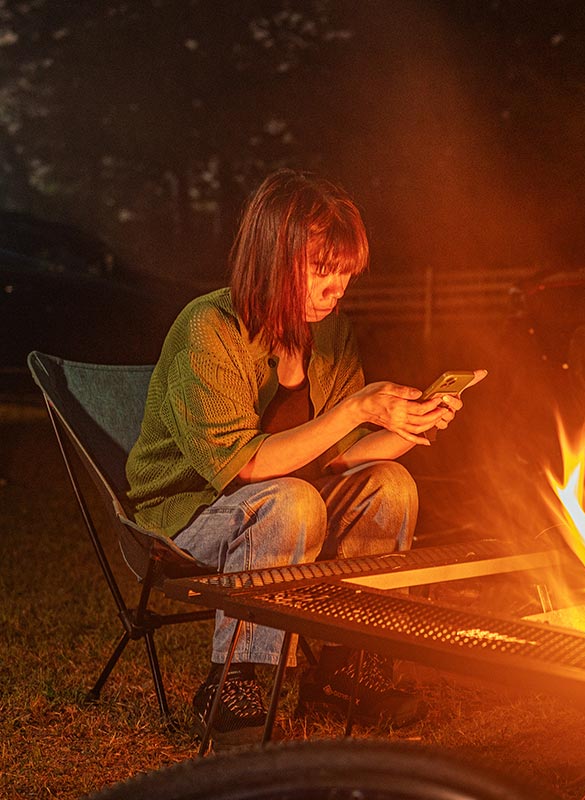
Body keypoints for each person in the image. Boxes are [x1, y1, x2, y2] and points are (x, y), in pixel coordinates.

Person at [126, 168, 478, 748]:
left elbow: (339, 459)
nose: (336, 289)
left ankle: (346, 669)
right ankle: (233, 682)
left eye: (344, 273)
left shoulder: (331, 334)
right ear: (272, 257)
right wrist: (353, 410)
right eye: (322, 270)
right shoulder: (209, 329)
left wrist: (409, 428)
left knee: (390, 482)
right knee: (290, 500)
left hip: (295, 503)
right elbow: (243, 466)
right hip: (189, 516)